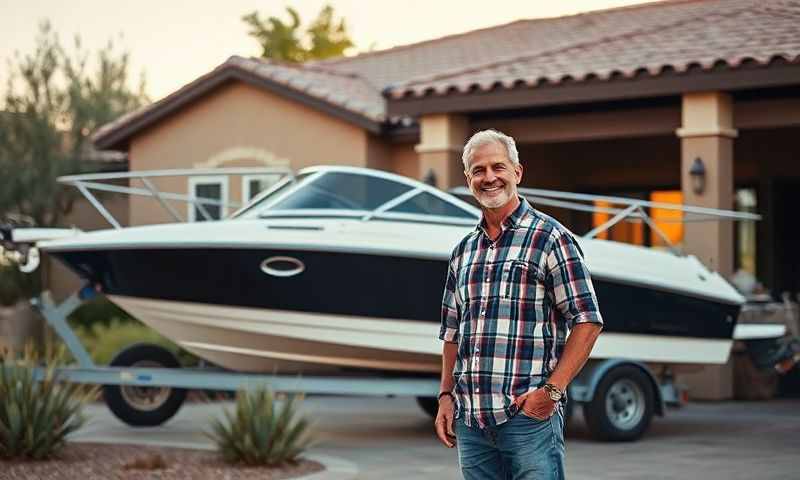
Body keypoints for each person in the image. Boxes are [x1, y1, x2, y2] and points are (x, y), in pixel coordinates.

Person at [435, 129, 603, 480]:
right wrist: (445, 396)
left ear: (517, 173)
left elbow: (587, 321)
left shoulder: (550, 238)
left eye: (498, 167)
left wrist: (550, 393)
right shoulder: (463, 251)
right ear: (468, 179)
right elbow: (452, 333)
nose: (489, 177)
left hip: (528, 420)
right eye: (478, 170)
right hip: (471, 422)